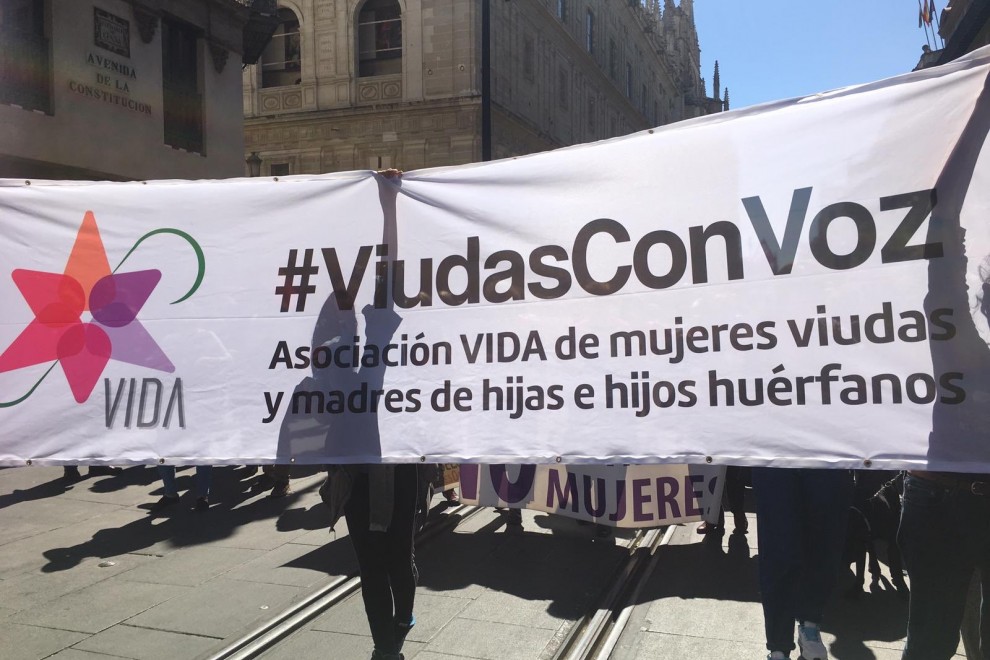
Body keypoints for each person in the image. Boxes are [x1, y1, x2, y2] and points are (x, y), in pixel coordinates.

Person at [752, 467, 852, 660]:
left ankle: (810, 625)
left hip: (827, 461)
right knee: (778, 552)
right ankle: (778, 646)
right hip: (776, 461)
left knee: (824, 547)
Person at [345, 464, 420, 660]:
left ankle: (399, 626)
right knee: (376, 566)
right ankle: (387, 647)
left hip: (392, 471)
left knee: (392, 561)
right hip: (361, 474)